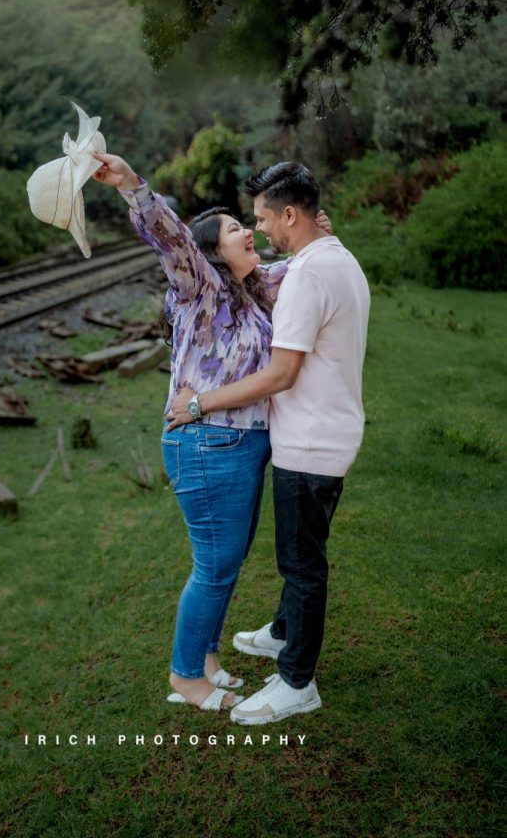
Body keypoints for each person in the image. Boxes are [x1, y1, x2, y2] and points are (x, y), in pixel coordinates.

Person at [90, 151, 331, 712]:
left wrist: (318, 228)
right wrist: (132, 187)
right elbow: (172, 238)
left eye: (244, 224)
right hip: (205, 444)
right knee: (215, 566)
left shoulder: (255, 288)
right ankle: (186, 678)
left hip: (242, 446)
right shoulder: (198, 287)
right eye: (231, 229)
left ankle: (206, 658)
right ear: (210, 252)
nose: (247, 232)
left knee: (226, 562)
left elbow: (304, 263)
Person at [168, 161, 370, 725]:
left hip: (309, 442)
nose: (257, 229)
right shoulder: (335, 257)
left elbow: (281, 374)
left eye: (259, 218)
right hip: (322, 435)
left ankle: (296, 681)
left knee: (302, 566)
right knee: (293, 559)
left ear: (289, 214)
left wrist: (200, 402)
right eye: (243, 225)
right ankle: (281, 633)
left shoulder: (306, 273)